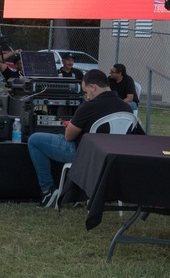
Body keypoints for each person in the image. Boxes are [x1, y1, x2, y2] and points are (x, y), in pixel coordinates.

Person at [27, 69, 134, 207]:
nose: (87, 96)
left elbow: (69, 136)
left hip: (84, 154)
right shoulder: (127, 108)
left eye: (86, 92)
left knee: (35, 140)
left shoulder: (89, 106)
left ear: (93, 87)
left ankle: (48, 190)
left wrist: (70, 125)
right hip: (113, 157)